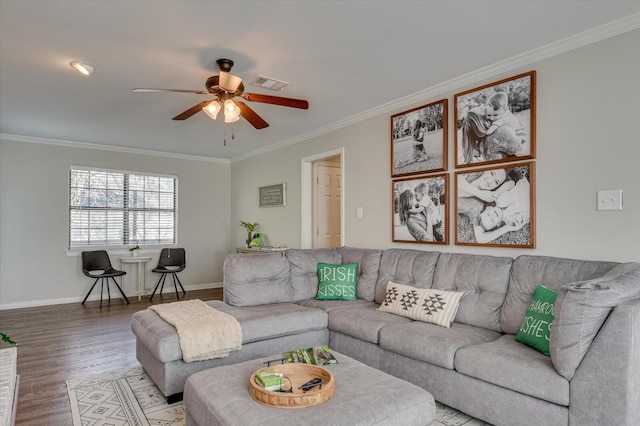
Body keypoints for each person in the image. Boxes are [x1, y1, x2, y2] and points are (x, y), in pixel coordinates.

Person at [460, 91, 525, 164]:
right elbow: (524, 154)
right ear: (483, 121)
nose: (482, 105)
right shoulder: (500, 131)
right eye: (482, 109)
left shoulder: (486, 139)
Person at [473, 178, 530, 244]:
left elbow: (512, 183)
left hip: (526, 182)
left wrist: (497, 193)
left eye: (488, 214)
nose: (493, 215)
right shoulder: (510, 220)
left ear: (488, 208)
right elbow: (527, 215)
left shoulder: (498, 198)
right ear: (498, 223)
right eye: (492, 220)